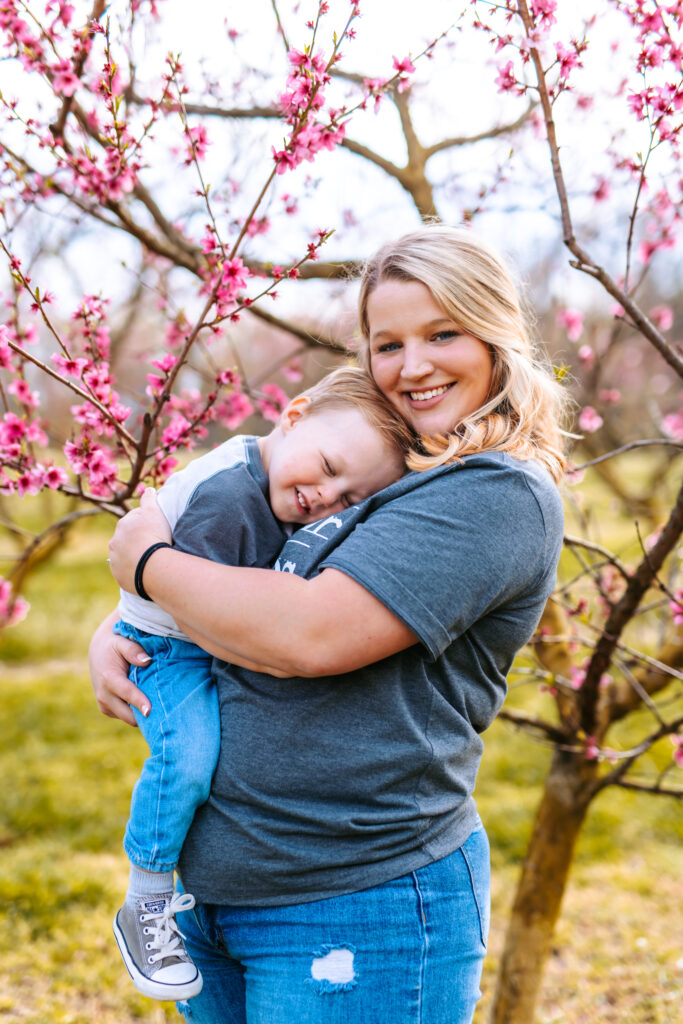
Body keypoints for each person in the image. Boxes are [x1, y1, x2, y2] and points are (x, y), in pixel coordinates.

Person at [91, 225, 567, 1024]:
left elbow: (306, 635)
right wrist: (125, 623)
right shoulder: (377, 469)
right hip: (221, 895)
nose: (412, 366)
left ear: (494, 334)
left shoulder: (494, 493)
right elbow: (241, 581)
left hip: (357, 901)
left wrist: (143, 564)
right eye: (388, 343)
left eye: (442, 333)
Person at [110, 367, 411, 1002]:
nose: (324, 496)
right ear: (294, 414)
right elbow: (192, 605)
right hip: (170, 650)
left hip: (185, 641)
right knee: (185, 757)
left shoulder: (273, 479)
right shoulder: (229, 498)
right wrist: (276, 642)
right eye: (326, 465)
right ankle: (146, 897)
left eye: (347, 497)